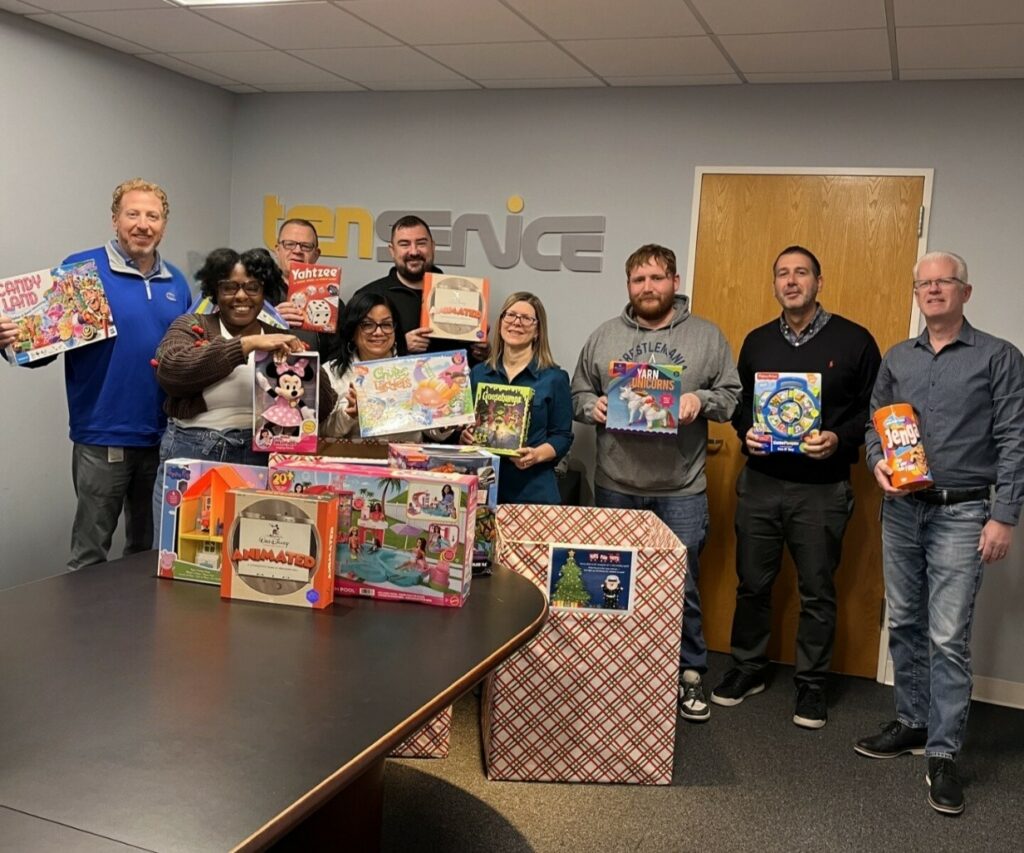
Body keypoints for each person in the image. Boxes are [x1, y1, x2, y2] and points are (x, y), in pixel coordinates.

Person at [854, 251, 1024, 816]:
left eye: (943, 282)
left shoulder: (999, 357)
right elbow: (875, 422)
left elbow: (1015, 440)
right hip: (902, 510)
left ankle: (943, 753)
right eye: (923, 283)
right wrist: (878, 461)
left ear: (965, 292)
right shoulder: (898, 356)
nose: (932, 290)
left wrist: (1004, 515)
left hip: (963, 511)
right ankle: (911, 721)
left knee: (948, 634)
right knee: (903, 620)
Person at [711, 246, 881, 730]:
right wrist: (745, 431)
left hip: (822, 490)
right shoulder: (758, 341)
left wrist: (839, 438)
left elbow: (872, 409)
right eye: (782, 274)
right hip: (762, 483)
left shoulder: (855, 341)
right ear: (775, 285)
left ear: (818, 282)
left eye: (801, 273)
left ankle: (811, 685)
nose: (791, 281)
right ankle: (748, 668)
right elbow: (741, 404)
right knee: (752, 585)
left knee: (818, 591)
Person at [571, 244, 740, 723]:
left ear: (674, 281)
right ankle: (613, 675)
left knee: (679, 585)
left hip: (680, 489)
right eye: (638, 280)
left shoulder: (706, 337)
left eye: (656, 278)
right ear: (628, 286)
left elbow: (732, 398)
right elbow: (579, 391)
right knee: (610, 584)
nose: (647, 288)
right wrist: (593, 407)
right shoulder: (604, 336)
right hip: (616, 484)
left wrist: (700, 401)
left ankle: (688, 676)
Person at [0, 178, 191, 570]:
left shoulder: (177, 282)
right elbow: (43, 350)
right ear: (115, 220)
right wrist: (9, 340)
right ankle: (83, 632)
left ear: (164, 225)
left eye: (152, 216)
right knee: (89, 555)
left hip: (163, 438)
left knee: (148, 555)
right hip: (102, 436)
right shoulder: (82, 272)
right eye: (132, 214)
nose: (142, 224)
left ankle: (137, 632)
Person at [154, 247, 335, 476]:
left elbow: (324, 405)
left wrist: (305, 365)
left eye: (252, 288)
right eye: (229, 287)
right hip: (193, 450)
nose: (241, 295)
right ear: (215, 291)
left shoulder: (281, 338)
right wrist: (246, 345)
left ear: (264, 293)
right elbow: (170, 371)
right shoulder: (192, 325)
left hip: (261, 455)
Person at [462, 292, 573, 505]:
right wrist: (465, 436)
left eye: (526, 318)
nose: (516, 323)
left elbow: (562, 436)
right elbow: (466, 427)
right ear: (501, 321)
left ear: (538, 330)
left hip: (533, 490)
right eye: (510, 315)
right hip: (483, 487)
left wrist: (536, 455)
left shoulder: (554, 378)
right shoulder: (478, 373)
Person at [351, 215, 488, 362]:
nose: (414, 251)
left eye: (421, 243)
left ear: (433, 246)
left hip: (451, 382)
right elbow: (351, 354)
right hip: (393, 382)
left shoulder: (464, 294)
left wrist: (480, 353)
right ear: (392, 250)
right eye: (404, 244)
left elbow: (472, 359)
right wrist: (399, 346)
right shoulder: (370, 295)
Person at [321, 289, 420, 443]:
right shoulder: (330, 372)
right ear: (352, 331)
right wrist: (350, 414)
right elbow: (321, 431)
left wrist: (446, 422)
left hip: (406, 462)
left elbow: (434, 431)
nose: (378, 332)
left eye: (386, 324)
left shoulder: (416, 370)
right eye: (367, 325)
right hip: (353, 461)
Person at [272, 218, 344, 357]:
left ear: (316, 254)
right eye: (289, 244)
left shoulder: (333, 302)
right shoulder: (257, 293)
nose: (297, 250)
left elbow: (340, 354)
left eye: (306, 246)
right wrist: (271, 319)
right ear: (277, 250)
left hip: (316, 375)